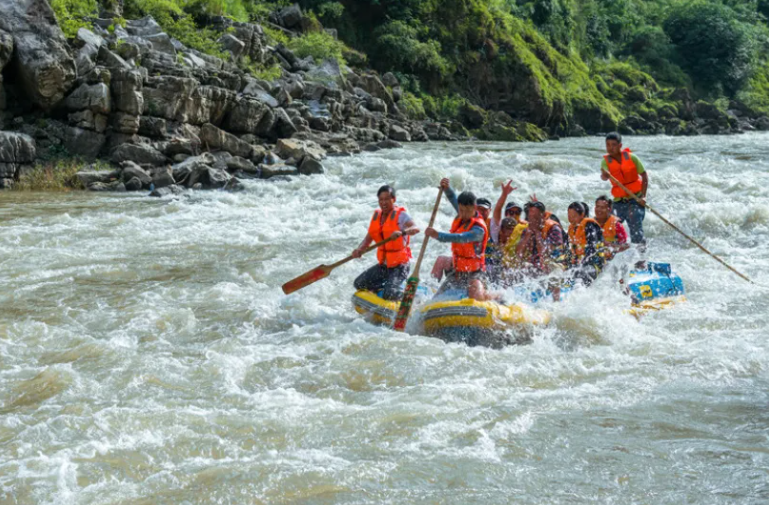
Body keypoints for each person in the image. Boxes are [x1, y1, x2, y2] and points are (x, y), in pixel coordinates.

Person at [352, 185, 420, 300]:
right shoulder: (377, 216)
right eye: (381, 200)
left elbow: (415, 228)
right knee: (359, 283)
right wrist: (360, 249)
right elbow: (368, 238)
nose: (384, 202)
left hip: (400, 266)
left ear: (393, 199)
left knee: (390, 293)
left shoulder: (401, 215)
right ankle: (382, 290)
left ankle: (412, 298)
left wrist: (402, 232)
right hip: (384, 266)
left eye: (387, 199)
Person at [425, 190, 494, 301]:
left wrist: (438, 235)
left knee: (477, 297)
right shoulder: (462, 214)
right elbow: (453, 199)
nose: (464, 214)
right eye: (461, 210)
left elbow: (460, 238)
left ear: (474, 208)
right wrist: (447, 188)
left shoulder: (478, 230)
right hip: (458, 270)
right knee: (435, 300)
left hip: (476, 272)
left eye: (468, 211)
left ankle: (496, 295)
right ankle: (428, 289)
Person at [601, 132, 648, 244]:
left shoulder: (632, 158)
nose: (610, 148)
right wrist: (604, 175)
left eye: (613, 145)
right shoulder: (605, 161)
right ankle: (613, 255)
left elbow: (644, 176)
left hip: (635, 200)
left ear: (620, 146)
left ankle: (641, 259)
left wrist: (643, 196)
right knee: (610, 228)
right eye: (608, 145)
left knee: (636, 231)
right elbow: (604, 176)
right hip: (619, 202)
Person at [566, 201, 605, 286]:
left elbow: (592, 249)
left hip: (594, 265)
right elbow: (568, 250)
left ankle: (579, 292)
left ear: (582, 215)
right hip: (579, 265)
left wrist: (579, 265)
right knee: (566, 275)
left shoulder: (589, 225)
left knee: (580, 273)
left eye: (574, 216)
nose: (571, 219)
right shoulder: (572, 229)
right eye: (569, 216)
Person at [594, 195, 629, 259]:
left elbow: (626, 246)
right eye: (597, 207)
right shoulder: (590, 224)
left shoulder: (617, 225)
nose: (599, 210)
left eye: (602, 207)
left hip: (611, 257)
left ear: (609, 209)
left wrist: (610, 245)